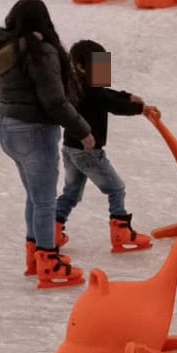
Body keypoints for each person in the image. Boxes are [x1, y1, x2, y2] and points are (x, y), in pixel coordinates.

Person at [0, 0, 92, 288]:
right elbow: (54, 100)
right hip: (34, 131)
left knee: (34, 196)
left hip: (7, 128)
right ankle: (48, 260)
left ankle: (35, 255)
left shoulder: (6, 49)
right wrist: (82, 129)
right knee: (44, 200)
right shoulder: (39, 52)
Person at [54, 39, 158, 251]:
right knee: (116, 188)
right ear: (82, 67)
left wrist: (128, 96)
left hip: (70, 148)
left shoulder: (75, 83)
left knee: (71, 192)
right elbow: (110, 102)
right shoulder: (90, 89)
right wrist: (140, 109)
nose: (102, 69)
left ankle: (51, 230)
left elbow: (106, 93)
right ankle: (121, 233)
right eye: (98, 65)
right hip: (88, 151)